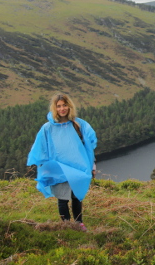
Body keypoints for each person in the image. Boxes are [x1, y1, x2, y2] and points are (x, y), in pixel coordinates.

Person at [27, 93, 97, 232]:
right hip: (58, 168)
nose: (62, 109)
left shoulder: (78, 124)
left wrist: (92, 166)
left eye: (64, 105)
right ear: (54, 108)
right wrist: (45, 167)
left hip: (78, 167)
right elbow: (41, 147)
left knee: (77, 195)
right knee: (62, 197)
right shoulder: (48, 128)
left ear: (69, 106)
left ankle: (79, 223)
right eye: (58, 106)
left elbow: (88, 146)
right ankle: (66, 224)